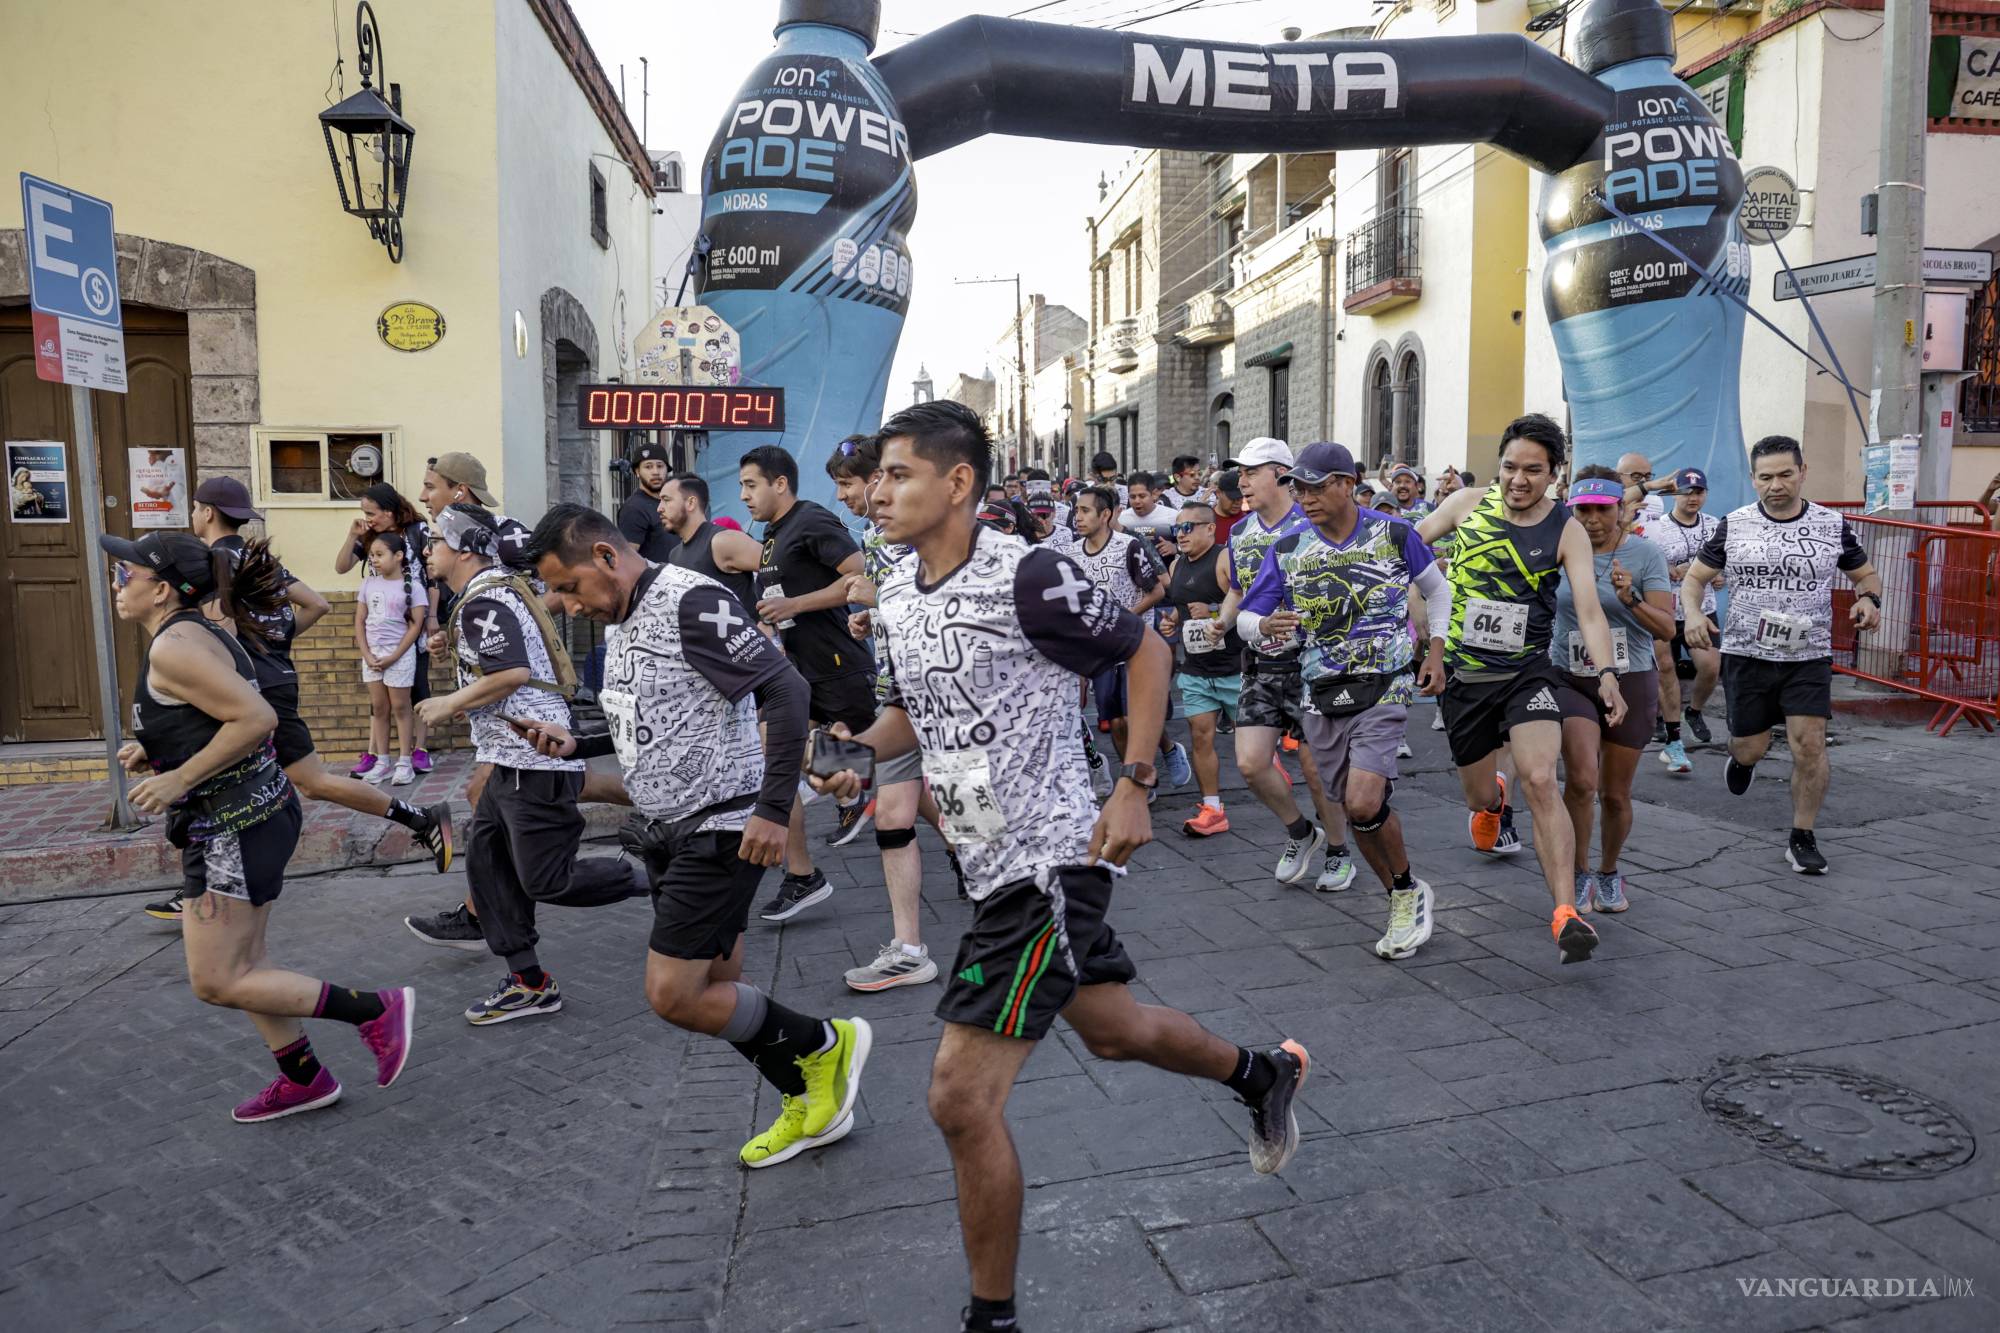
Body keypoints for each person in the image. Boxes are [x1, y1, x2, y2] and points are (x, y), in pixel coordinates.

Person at [811, 400, 1310, 1333]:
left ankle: (989, 1319)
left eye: (897, 475)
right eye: (873, 478)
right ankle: (1260, 1073)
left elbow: (1147, 648)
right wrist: (845, 751)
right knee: (1113, 1028)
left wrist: (1130, 782)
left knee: (959, 1098)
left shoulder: (1028, 574)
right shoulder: (902, 594)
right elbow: (910, 720)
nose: (876, 493)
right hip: (984, 858)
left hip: (1050, 859)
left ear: (957, 482)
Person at [517, 505, 871, 1166]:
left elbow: (785, 688)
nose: (565, 604)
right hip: (668, 830)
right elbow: (649, 718)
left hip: (723, 823)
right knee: (720, 985)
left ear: (603, 556)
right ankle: (810, 1097)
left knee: (674, 993)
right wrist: (576, 739)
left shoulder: (689, 599)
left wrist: (773, 807)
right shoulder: (620, 623)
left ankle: (825, 1044)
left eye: (567, 586)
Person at [103, 529, 414, 1123]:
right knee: (249, 967)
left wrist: (176, 778)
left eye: (126, 574)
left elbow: (255, 717)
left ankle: (374, 1010)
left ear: (162, 590)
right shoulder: (195, 632)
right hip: (250, 814)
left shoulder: (176, 647)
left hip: (233, 825)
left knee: (217, 979)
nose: (118, 583)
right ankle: (304, 1078)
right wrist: (159, 752)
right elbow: (209, 715)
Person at [145, 479, 452, 923]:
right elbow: (317, 605)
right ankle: (421, 820)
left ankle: (205, 886)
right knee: (301, 781)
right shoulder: (259, 557)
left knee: (207, 778)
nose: (192, 516)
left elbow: (212, 633)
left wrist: (244, 656)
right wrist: (273, 646)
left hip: (248, 690)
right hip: (277, 680)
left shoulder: (209, 563)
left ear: (207, 512)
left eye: (194, 508)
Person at [415, 504, 643, 1023]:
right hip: (507, 757)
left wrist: (449, 702)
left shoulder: (483, 602)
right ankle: (529, 981)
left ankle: (664, 876)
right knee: (488, 867)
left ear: (464, 547)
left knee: (546, 880)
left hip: (532, 756)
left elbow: (513, 670)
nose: (427, 550)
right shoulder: (492, 592)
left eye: (435, 541)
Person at [1418, 414, 1627, 964]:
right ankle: (1493, 807)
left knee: (1541, 777)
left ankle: (1565, 913)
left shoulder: (1567, 529)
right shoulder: (1466, 504)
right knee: (1479, 794)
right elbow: (1408, 553)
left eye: (1533, 470)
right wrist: (1420, 620)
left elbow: (1588, 610)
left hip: (1527, 672)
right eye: (1510, 467)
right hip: (1464, 677)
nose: (1518, 479)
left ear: (1555, 474)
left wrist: (1607, 674)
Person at [1235, 444, 1449, 958]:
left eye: (1314, 487)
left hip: (1387, 683)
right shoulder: (1287, 548)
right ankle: (1404, 891)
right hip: (1321, 692)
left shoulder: (1395, 533)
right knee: (1356, 811)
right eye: (1298, 488)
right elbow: (1246, 617)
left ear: (1347, 484)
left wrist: (1436, 651)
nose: (1304, 497)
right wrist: (1262, 625)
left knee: (1362, 800)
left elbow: (1437, 592)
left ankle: (1402, 894)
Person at [1681, 436, 1883, 875]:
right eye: (1766, 477)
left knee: (1809, 745)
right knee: (1751, 746)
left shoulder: (1832, 525)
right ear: (1754, 480)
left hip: (1807, 656)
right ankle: (1742, 758)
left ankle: (1802, 836)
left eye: (1785, 474)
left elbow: (1865, 575)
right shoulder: (1734, 524)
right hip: (1747, 654)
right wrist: (1693, 613)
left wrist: (1869, 600)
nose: (1777, 485)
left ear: (1802, 472)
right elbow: (1694, 579)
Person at [829, 434, 964, 986]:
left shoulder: (951, 538)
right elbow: (902, 608)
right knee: (891, 814)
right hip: (897, 694)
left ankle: (1021, 904)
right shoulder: (873, 535)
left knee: (972, 819)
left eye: (852, 483)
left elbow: (948, 607)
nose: (853, 496)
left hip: (954, 704)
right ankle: (909, 948)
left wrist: (876, 602)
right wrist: (872, 619)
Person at [1215, 438, 1356, 892]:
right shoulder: (1240, 533)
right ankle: (1301, 832)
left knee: (1317, 768)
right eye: (1240, 474)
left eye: (1250, 473)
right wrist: (1222, 622)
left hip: (1313, 663)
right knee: (1252, 764)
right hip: (1260, 661)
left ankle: (1339, 851)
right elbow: (1238, 589)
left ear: (1279, 473)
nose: (1242, 483)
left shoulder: (1312, 521)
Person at [739, 444, 875, 915]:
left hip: (839, 666)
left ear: (780, 484)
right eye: (741, 486)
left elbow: (856, 576)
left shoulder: (812, 520)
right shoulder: (773, 535)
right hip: (801, 673)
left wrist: (793, 607)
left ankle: (863, 784)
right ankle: (805, 871)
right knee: (772, 741)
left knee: (899, 773)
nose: (743, 496)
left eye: (751, 485)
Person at [1553, 470, 1675, 915]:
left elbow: (1666, 627)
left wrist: (1630, 599)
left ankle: (1608, 871)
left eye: (1602, 510)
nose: (1592, 519)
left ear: (1620, 511)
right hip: (1569, 675)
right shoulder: (1559, 550)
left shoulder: (1645, 555)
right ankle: (1580, 869)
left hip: (1631, 676)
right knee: (1582, 780)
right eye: (1582, 510)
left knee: (1615, 794)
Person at [1073, 486, 1191, 790]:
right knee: (1114, 721)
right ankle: (1133, 778)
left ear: (1106, 514)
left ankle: (1158, 758)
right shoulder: (1071, 553)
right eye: (1076, 511)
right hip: (1100, 649)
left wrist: (1124, 616)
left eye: (1085, 511)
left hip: (1136, 645)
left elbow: (1157, 591)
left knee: (1137, 716)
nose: (1078, 517)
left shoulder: (1128, 546)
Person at [333, 482, 439, 776]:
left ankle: (419, 750)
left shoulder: (418, 531)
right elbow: (341, 567)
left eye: (372, 513)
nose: (368, 519)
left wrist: (431, 618)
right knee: (380, 697)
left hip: (411, 617)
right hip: (380, 621)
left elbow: (432, 575)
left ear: (389, 511)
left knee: (416, 686)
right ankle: (374, 753)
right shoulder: (369, 537)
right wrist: (352, 536)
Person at [1157, 501, 1243, 837]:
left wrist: (1211, 610)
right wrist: (1174, 622)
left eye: (1188, 527)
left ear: (1210, 528)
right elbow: (1182, 607)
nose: (1180, 535)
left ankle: (1287, 795)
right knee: (1200, 736)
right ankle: (1213, 808)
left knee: (1256, 747)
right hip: (1195, 669)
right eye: (1177, 528)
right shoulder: (1177, 563)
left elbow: (1251, 599)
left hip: (1234, 667)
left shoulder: (1224, 558)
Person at [1646, 467, 1722, 757]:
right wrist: (1665, 570)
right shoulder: (1659, 527)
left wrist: (1716, 574)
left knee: (1711, 666)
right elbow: (1648, 563)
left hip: (1702, 610)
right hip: (1664, 608)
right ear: (1673, 493)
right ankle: (1663, 720)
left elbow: (1721, 563)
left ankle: (1695, 710)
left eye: (1699, 491)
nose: (1693, 497)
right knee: (1664, 669)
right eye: (1686, 491)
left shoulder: (1714, 525)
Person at [355, 532, 426, 786]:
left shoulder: (414, 587)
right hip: (372, 656)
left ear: (398, 556)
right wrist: (367, 653)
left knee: (401, 707)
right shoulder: (367, 585)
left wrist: (394, 656)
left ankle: (404, 762)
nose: (374, 559)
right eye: (372, 555)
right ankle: (382, 761)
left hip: (400, 656)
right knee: (379, 708)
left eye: (379, 554)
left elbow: (416, 626)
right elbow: (359, 622)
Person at [660, 471, 761, 613]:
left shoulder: (723, 541)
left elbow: (781, 567)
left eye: (667, 500)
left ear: (691, 503)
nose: (659, 508)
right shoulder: (674, 555)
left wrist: (768, 620)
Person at [615, 439, 679, 561]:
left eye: (660, 466)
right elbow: (627, 559)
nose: (655, 472)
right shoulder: (634, 508)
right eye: (648, 467)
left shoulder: (672, 502)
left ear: (667, 469)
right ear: (637, 472)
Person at [1117, 471, 1179, 566]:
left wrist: (1175, 548)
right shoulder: (1121, 519)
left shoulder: (1172, 517)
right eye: (1132, 497)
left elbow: (1188, 543)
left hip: (1166, 576)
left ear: (1153, 494)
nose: (1137, 501)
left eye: (1142, 496)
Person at [1211, 468, 1246, 547]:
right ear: (1218, 493)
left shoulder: (1249, 522)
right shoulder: (1206, 521)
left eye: (1240, 497)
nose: (1237, 502)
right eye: (1232, 498)